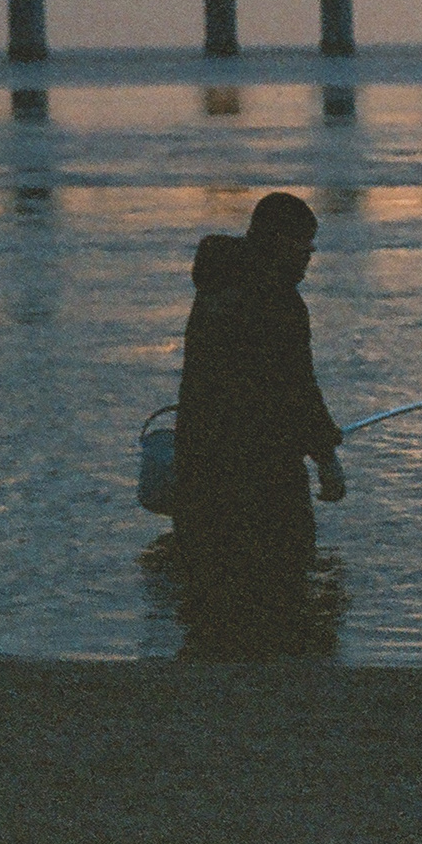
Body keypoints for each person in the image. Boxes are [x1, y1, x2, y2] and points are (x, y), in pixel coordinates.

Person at [171, 192, 346, 583]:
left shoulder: (215, 285)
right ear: (280, 241)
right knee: (285, 584)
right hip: (262, 476)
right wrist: (326, 458)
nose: (309, 256)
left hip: (199, 466)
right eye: (304, 246)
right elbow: (296, 386)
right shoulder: (278, 300)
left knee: (207, 595)